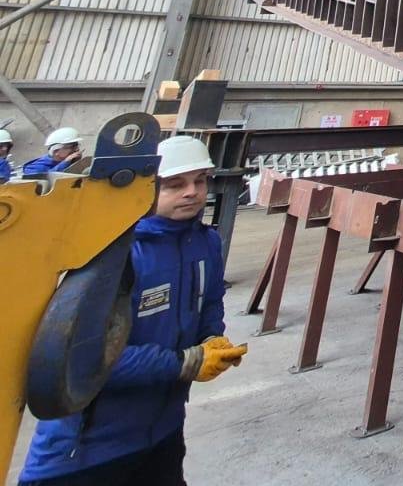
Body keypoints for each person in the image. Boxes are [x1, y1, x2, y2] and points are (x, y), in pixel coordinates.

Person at [20, 135, 248, 486]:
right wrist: (183, 362)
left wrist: (210, 337)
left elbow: (211, 300)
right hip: (86, 453)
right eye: (175, 184)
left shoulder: (207, 243)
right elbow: (83, 360)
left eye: (200, 181)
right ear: (147, 188)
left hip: (162, 434)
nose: (192, 192)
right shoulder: (113, 255)